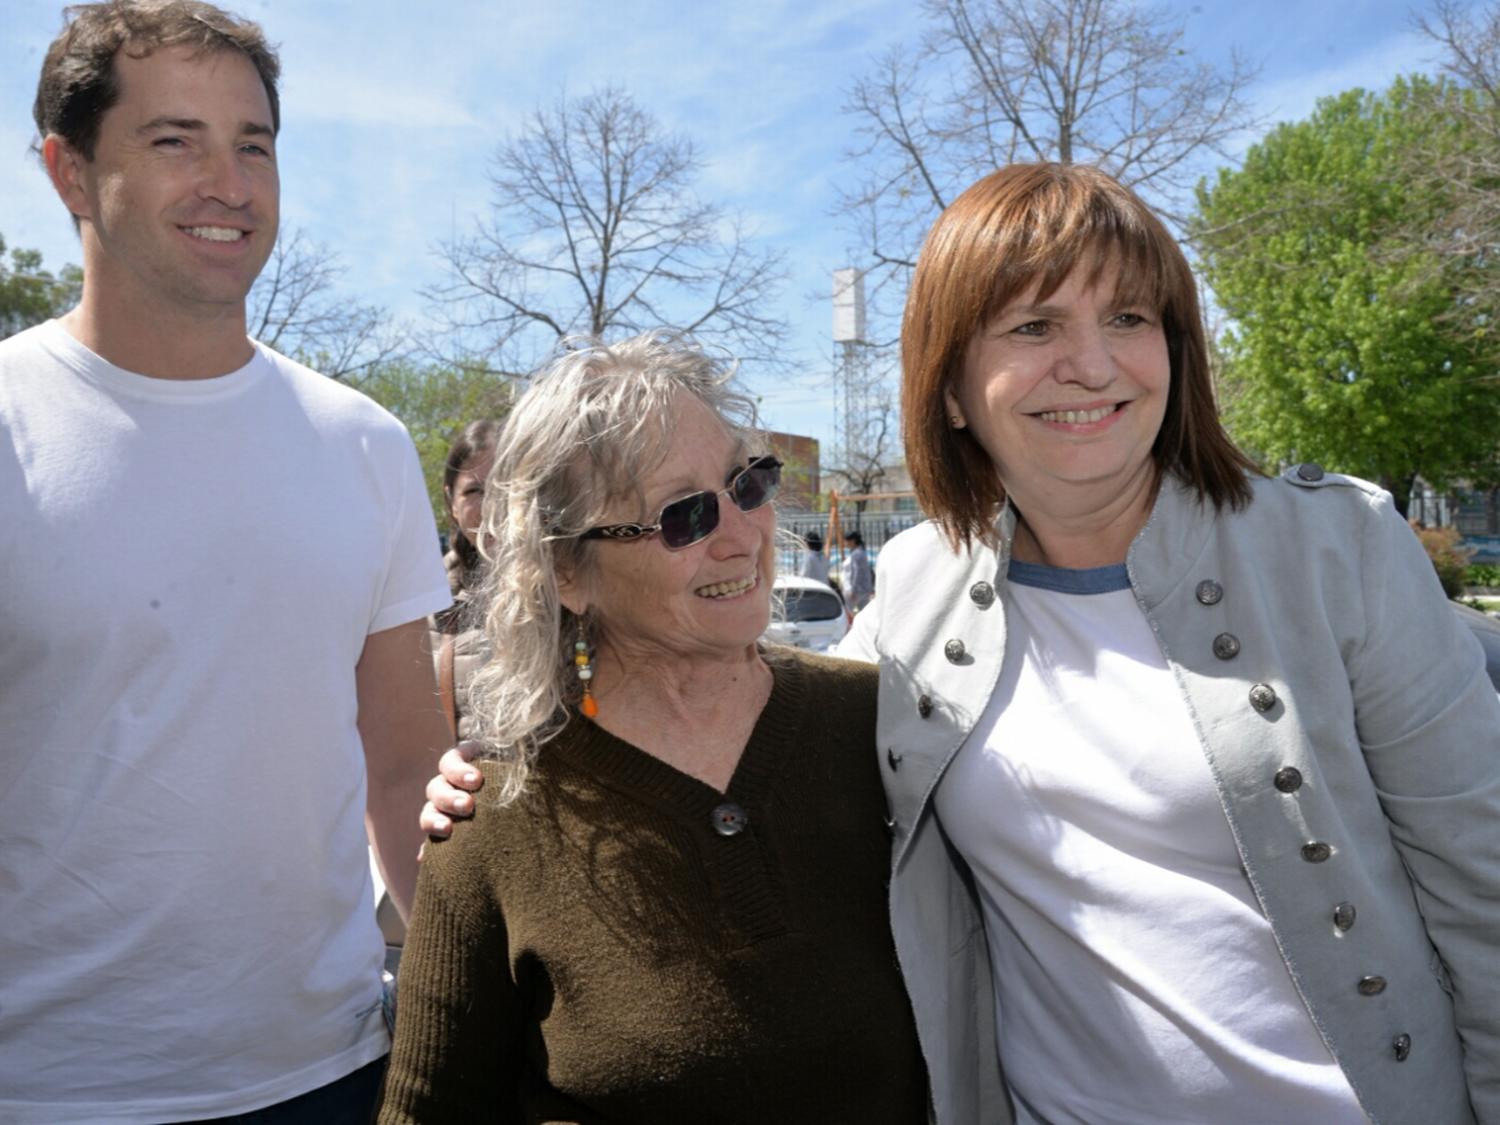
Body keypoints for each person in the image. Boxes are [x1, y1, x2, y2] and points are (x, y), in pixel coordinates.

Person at [835, 163, 1500, 1124]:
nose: (1093, 364)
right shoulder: (910, 590)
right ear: (949, 391)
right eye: (1033, 326)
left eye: (1129, 318)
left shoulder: (1337, 549)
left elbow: (1485, 881)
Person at [0, 3, 452, 1122]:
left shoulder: (366, 444)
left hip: (335, 1072)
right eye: (174, 141)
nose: (229, 182)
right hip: (49, 1087)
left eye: (253, 144)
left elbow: (404, 766)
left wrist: (458, 1001)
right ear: (67, 172)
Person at [378, 332, 928, 1125]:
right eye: (683, 515)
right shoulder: (492, 819)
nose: (742, 533)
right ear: (568, 572)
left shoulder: (886, 728)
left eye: (749, 482)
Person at [430, 420, 502, 741]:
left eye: (509, 488)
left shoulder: (580, 588)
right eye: (475, 491)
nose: (494, 507)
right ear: (451, 502)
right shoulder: (422, 596)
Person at [841, 528, 873, 610]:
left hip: (856, 590)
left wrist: (853, 590)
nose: (844, 543)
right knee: (865, 614)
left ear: (852, 541)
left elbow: (857, 573)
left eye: (845, 540)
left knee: (845, 611)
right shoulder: (860, 552)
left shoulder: (857, 554)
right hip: (864, 589)